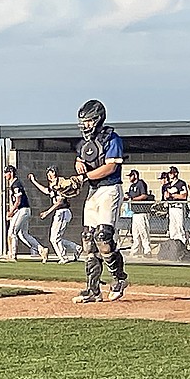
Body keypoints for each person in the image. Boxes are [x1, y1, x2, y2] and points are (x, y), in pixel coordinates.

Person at [71, 99, 129, 303]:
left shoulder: (112, 138)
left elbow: (109, 168)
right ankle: (92, 289)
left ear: (97, 119)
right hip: (94, 192)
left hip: (110, 189)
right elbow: (82, 158)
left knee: (103, 237)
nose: (85, 126)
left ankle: (119, 278)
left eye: (88, 121)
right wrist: (78, 165)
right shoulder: (85, 144)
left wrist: (84, 177)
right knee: (88, 239)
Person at [28, 166, 82, 264]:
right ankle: (76, 248)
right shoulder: (53, 185)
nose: (49, 174)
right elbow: (46, 190)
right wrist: (34, 181)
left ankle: (63, 257)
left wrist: (47, 212)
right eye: (48, 172)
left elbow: (59, 202)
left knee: (54, 238)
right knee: (56, 238)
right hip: (61, 212)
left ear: (55, 173)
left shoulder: (60, 182)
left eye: (51, 172)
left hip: (63, 211)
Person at [0, 165, 47, 263]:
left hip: (23, 210)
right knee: (23, 234)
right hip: (23, 211)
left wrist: (11, 212)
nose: (4, 175)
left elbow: (18, 201)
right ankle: (41, 250)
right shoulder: (14, 183)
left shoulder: (16, 184)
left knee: (11, 232)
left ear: (11, 172)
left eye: (6, 173)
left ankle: (12, 255)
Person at [124, 169, 152, 257]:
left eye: (131, 176)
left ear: (135, 175)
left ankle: (147, 250)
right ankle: (135, 250)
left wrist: (133, 199)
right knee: (135, 233)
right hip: (135, 212)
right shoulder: (131, 186)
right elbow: (130, 196)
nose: (129, 178)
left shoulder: (140, 183)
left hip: (142, 212)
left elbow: (144, 195)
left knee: (143, 232)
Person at [163, 166, 189, 244]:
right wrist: (166, 196)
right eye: (169, 173)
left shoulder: (181, 183)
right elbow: (165, 196)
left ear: (176, 173)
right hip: (171, 207)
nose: (170, 174)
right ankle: (173, 245)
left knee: (179, 227)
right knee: (172, 227)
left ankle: (182, 244)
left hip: (179, 207)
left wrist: (173, 196)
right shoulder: (168, 185)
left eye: (171, 173)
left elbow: (184, 195)